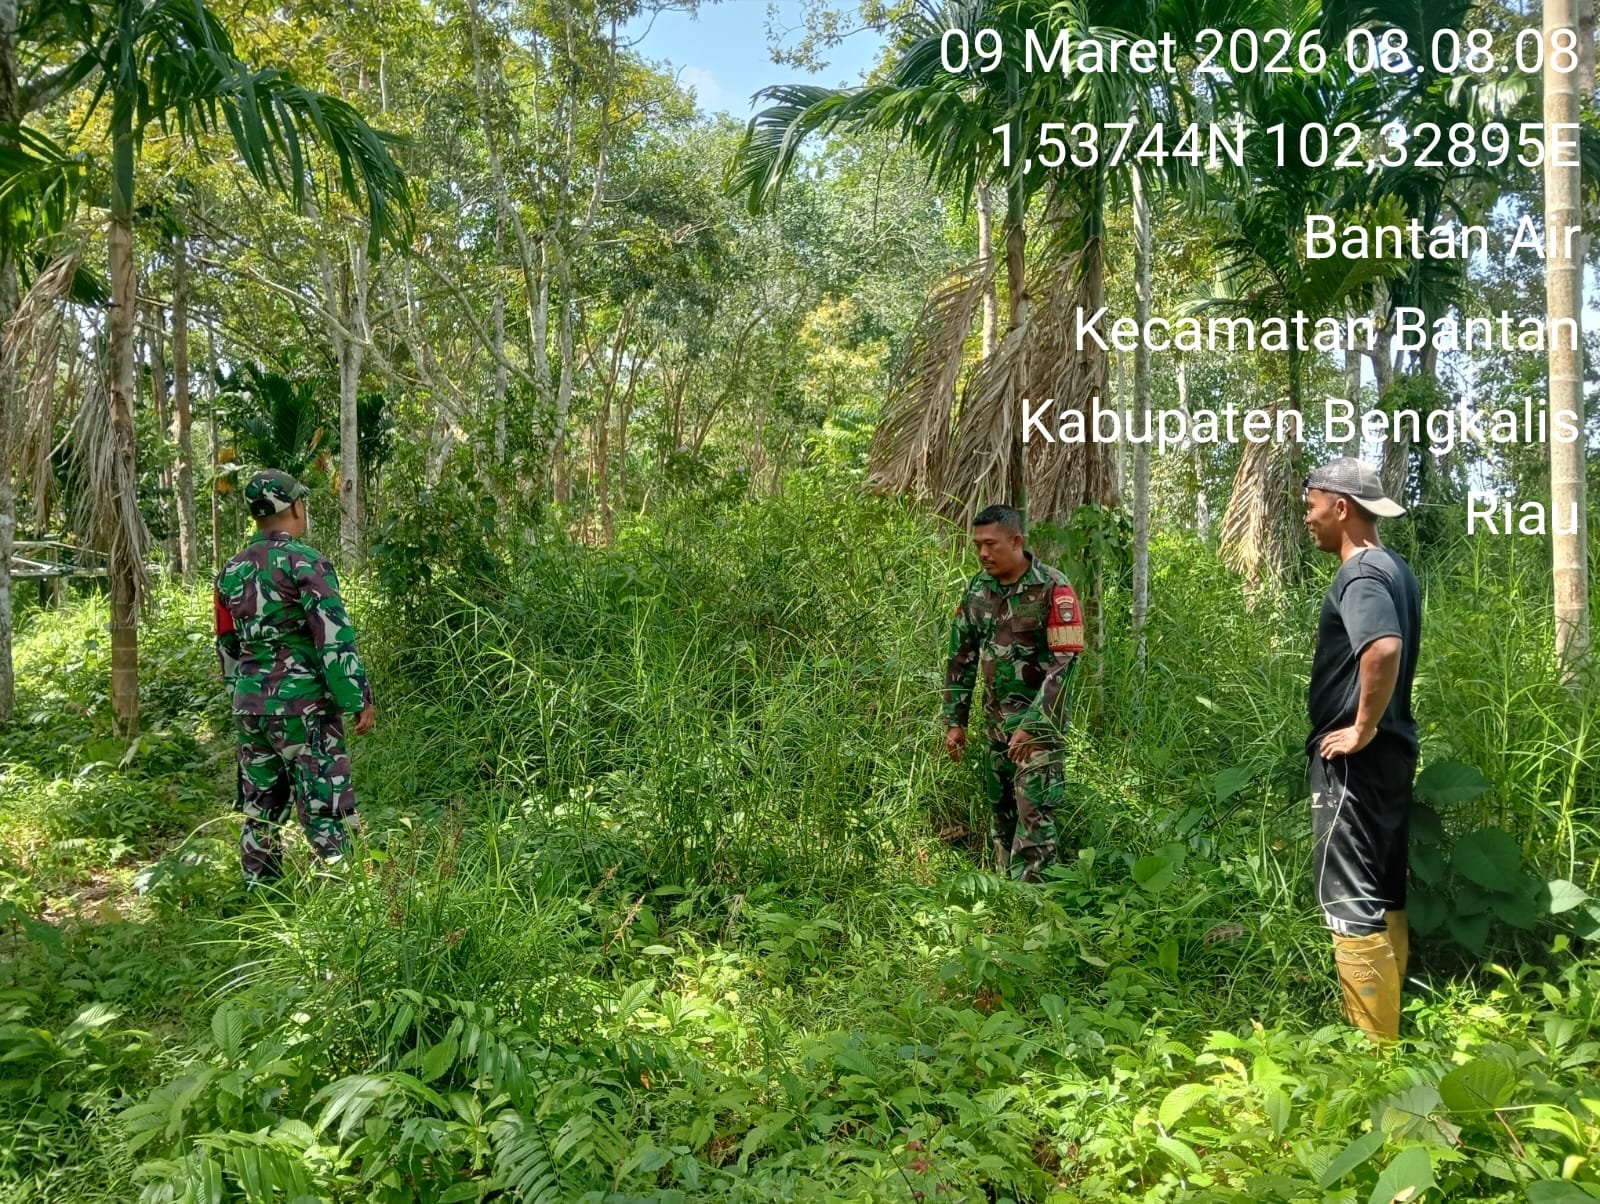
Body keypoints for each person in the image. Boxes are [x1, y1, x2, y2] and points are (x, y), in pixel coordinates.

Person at [1303, 457, 1422, 1041]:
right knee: (1384, 893)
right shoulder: (1396, 568)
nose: (1308, 519)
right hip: (1392, 757)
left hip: (1354, 763)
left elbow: (1383, 647)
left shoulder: (1360, 573)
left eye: (1312, 507)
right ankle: (1392, 1038)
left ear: (1341, 507)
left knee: (1351, 902)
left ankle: (1376, 1061)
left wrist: (1360, 727)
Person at [215, 470, 377, 888]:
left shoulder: (230, 572)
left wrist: (240, 699)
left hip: (251, 708)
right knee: (327, 806)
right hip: (304, 706)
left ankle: (260, 894)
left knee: (260, 808)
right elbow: (332, 637)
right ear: (295, 508)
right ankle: (345, 897)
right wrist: (357, 697)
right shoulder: (306, 563)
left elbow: (227, 644)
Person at [943, 504, 1084, 880]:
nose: (982, 553)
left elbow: (1065, 665)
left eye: (991, 544)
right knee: (1002, 815)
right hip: (995, 728)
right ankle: (1004, 894)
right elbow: (961, 657)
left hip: (1038, 730)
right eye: (977, 545)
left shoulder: (1053, 588)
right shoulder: (977, 589)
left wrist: (1034, 725)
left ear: (1016, 541)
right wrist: (955, 721)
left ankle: (1035, 901)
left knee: (1034, 816)